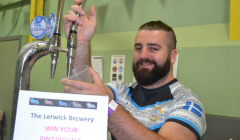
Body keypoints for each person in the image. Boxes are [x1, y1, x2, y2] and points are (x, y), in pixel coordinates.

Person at [61, 0, 206, 139]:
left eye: (153, 48)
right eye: (138, 48)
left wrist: (108, 106)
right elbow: (84, 93)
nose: (143, 55)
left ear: (172, 56)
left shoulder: (187, 103)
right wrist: (80, 44)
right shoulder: (120, 91)